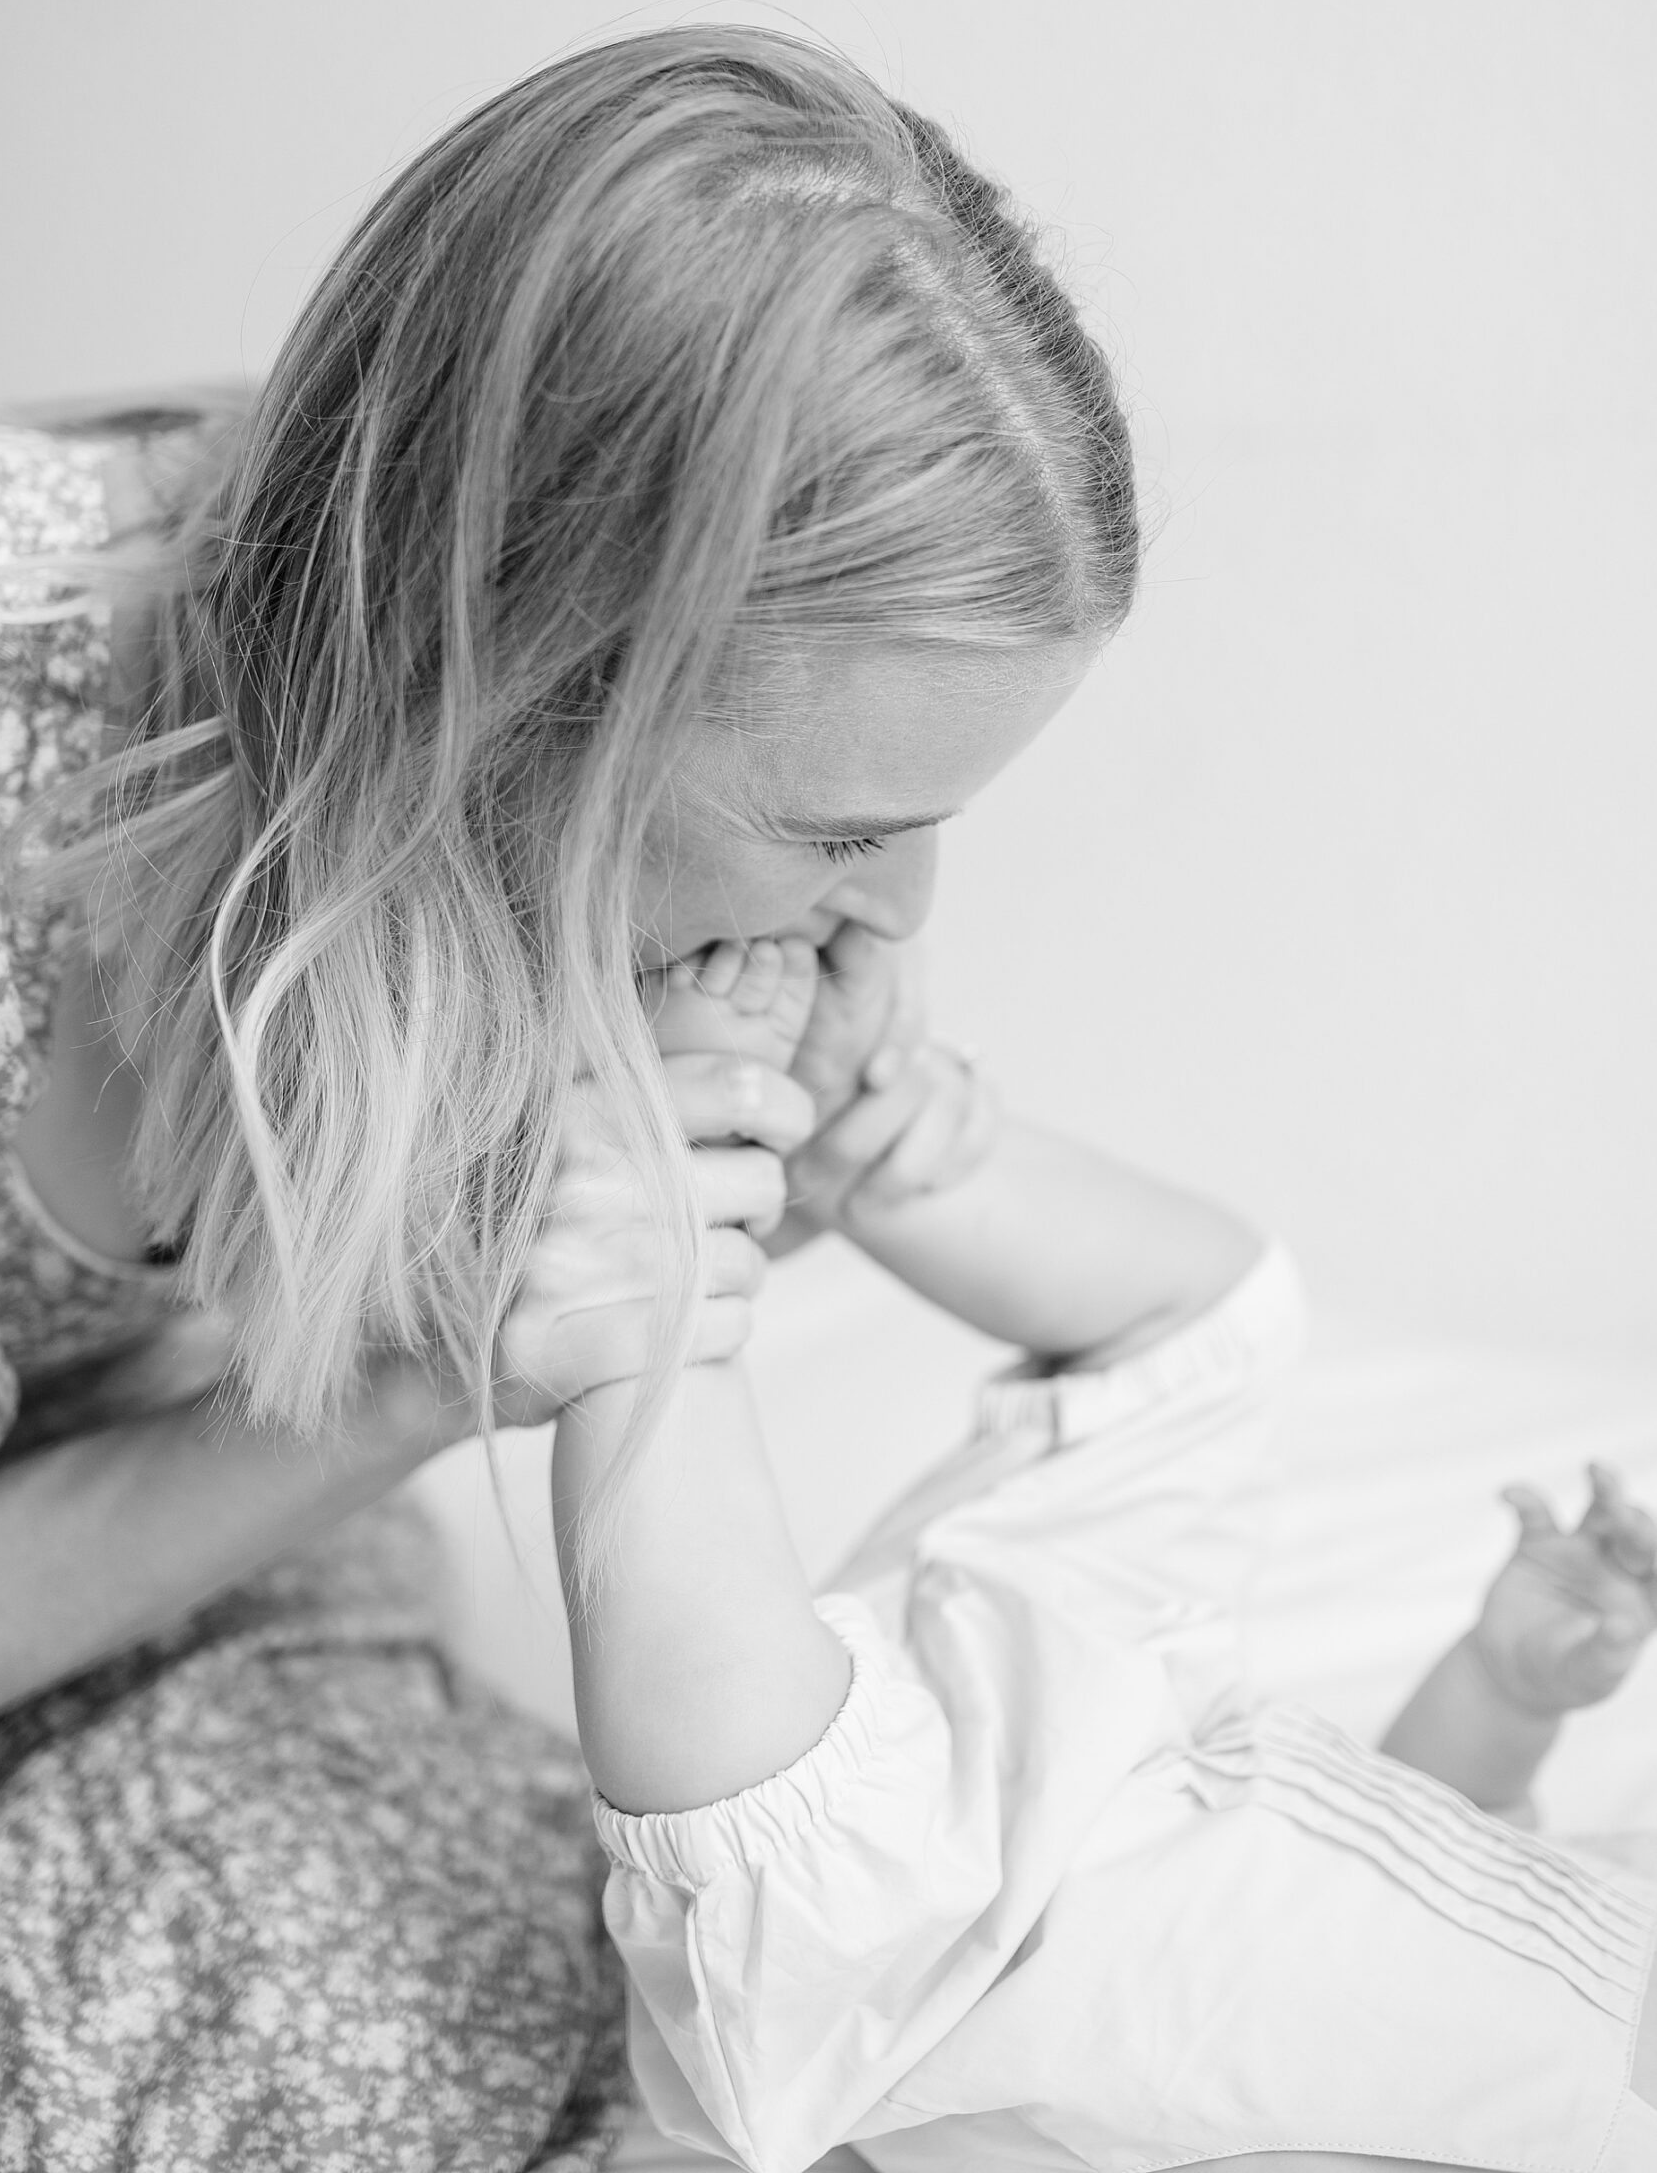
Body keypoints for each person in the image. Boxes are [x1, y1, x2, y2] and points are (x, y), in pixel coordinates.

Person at [0, 26, 1143, 2168]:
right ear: (521, 700)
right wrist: (413, 1367)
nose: (905, 906)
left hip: (172, 1565)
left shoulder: (396, 725)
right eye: (841, 823)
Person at [554, 929, 1657, 2173]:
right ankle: (858, 1132)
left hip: (1007, 1982)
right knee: (1207, 1324)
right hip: (1148, 1748)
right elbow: (1450, 1880)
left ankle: (642, 1267)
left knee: (803, 1852)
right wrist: (1506, 1689)